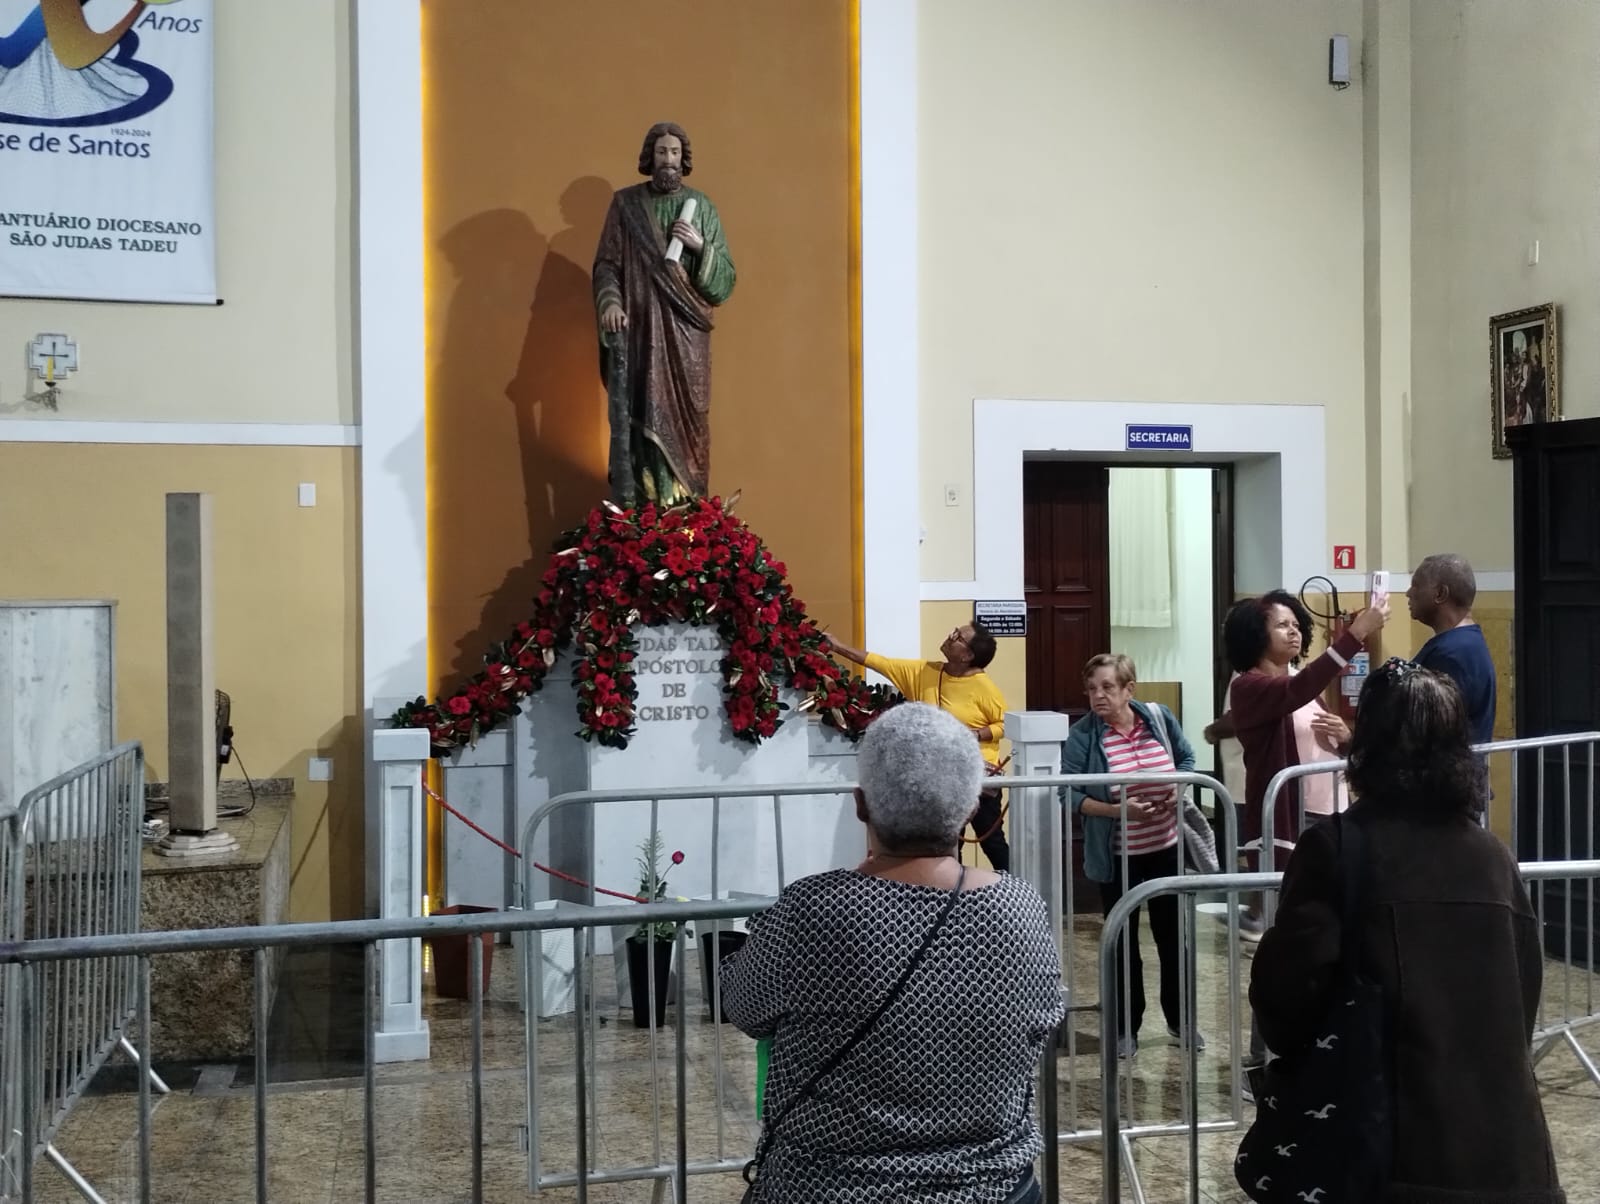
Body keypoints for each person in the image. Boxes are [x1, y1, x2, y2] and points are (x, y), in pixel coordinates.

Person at [722, 703, 1064, 1204]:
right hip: (994, 1186)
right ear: (972, 808)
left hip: (834, 1187)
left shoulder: (815, 908)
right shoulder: (1019, 905)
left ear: (861, 804)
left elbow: (744, 1007)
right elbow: (1042, 1020)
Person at [1249, 661, 1565, 1203]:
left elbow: (1286, 1000)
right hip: (1507, 1156)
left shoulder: (1338, 847)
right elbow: (1523, 996)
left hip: (1382, 1152)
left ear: (1367, 741)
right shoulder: (1493, 857)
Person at [1060, 654, 1200, 1058]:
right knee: (1123, 944)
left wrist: (1178, 788)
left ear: (1128, 690)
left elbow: (1187, 759)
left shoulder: (1158, 718)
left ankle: (1181, 1021)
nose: (1098, 696)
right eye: (1091, 689)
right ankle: (1126, 1029)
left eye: (1107, 687)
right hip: (1119, 856)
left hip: (1166, 848)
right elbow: (1068, 792)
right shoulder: (1085, 736)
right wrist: (1117, 811)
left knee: (1173, 938)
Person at [1224, 592, 1385, 936]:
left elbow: (1323, 731)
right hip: (1292, 817)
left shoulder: (1304, 688)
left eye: (1296, 625)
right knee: (1300, 919)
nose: (1293, 632)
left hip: (1331, 811)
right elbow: (1296, 689)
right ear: (1255, 634)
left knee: (1336, 910)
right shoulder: (1248, 686)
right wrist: (1353, 636)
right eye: (1282, 625)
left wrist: (1346, 736)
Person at [592, 121, 736, 505]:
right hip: (640, 331)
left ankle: (689, 518)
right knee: (642, 413)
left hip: (687, 335)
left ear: (683, 159)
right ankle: (642, 513)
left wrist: (700, 246)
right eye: (661, 152)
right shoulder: (626, 206)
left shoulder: (701, 207)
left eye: (674, 153)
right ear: (649, 157)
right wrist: (611, 303)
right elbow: (607, 264)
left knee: (689, 420)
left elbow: (725, 280)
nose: (668, 160)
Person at [823, 623, 1010, 871]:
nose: (950, 636)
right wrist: (837, 646)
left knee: (993, 842)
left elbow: (1004, 724)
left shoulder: (985, 688)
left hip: (978, 778)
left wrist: (974, 735)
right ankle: (953, 895)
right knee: (950, 844)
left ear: (967, 656)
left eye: (958, 637)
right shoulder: (924, 672)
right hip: (937, 777)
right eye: (953, 630)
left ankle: (1015, 891)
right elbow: (879, 662)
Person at [1406, 553, 1496, 747]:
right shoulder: (1462, 643)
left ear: (1440, 594)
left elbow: (1430, 728)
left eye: (1416, 585)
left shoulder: (1453, 654)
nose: (1408, 593)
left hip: (1443, 775)